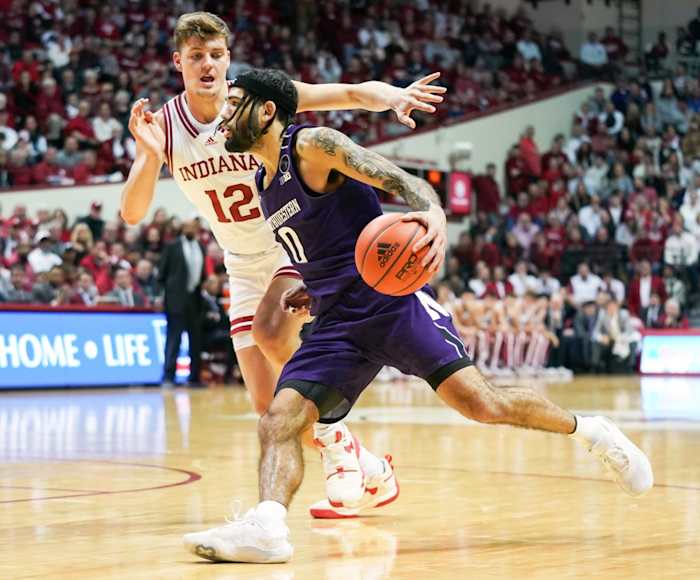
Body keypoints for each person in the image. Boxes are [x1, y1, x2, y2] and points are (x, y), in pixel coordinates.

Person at [183, 69, 653, 563]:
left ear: (265, 110)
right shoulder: (263, 182)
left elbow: (395, 178)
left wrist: (433, 212)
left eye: (234, 103)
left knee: (481, 404)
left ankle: (593, 432)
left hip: (389, 303)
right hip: (336, 321)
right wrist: (308, 284)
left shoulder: (312, 144)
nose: (223, 114)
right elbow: (325, 243)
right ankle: (267, 527)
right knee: (279, 419)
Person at [120, 11, 443, 515]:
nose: (209, 65)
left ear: (228, 58)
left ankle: (338, 449)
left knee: (272, 332)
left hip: (291, 242)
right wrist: (146, 155)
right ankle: (367, 465)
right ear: (177, 61)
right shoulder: (162, 126)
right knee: (268, 408)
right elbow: (133, 212)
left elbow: (349, 92)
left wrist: (394, 97)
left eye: (218, 55)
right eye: (197, 56)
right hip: (241, 263)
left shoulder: (252, 97)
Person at [158, 219, 205, 385]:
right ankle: (168, 376)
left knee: (196, 340)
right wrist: (165, 296)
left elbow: (202, 275)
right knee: (174, 338)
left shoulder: (201, 246)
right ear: (183, 227)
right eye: (189, 225)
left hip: (194, 299)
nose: (191, 228)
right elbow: (162, 274)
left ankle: (194, 377)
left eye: (194, 225)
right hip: (176, 300)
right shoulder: (172, 246)